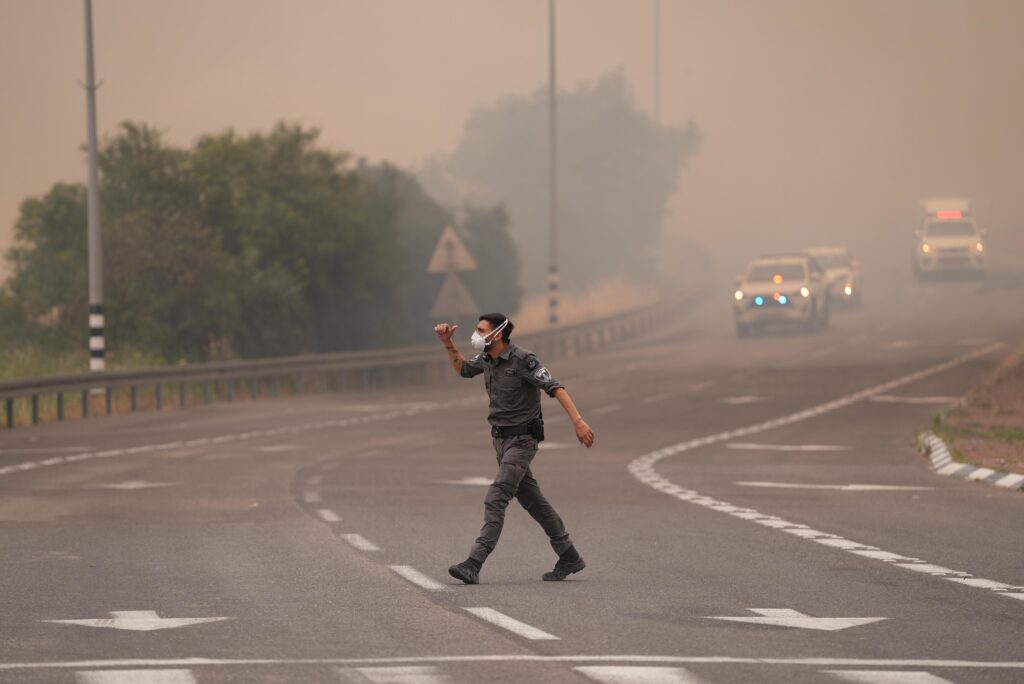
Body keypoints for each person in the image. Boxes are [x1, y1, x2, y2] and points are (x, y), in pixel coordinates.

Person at [434, 313, 595, 584]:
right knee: (533, 502)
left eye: (480, 330)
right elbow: (463, 370)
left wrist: (578, 421)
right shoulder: (487, 358)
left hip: (522, 441)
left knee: (497, 496)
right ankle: (569, 555)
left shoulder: (523, 360)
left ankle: (473, 563)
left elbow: (555, 387)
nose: (475, 334)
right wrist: (448, 343)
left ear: (497, 334)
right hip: (501, 442)